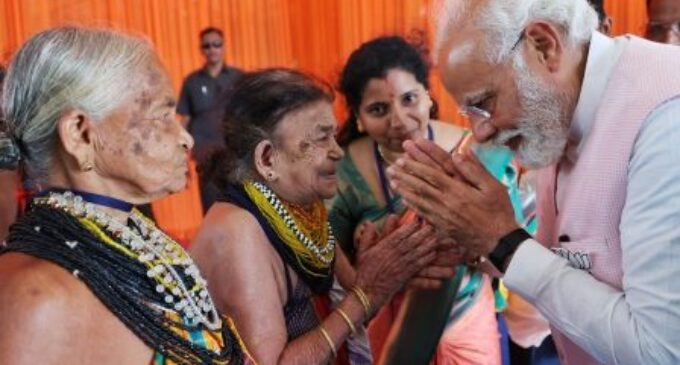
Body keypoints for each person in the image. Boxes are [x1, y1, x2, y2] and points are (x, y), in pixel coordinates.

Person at [388, 0, 680, 364]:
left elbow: (660, 352)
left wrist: (502, 240)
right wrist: (476, 245)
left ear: (543, 46)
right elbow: (569, 260)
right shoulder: (559, 104)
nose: (480, 131)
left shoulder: (667, 118)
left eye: (484, 102)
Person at [0, 26, 249, 364]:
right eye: (162, 115)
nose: (185, 139)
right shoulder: (36, 299)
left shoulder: (139, 242)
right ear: (80, 134)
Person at [190, 68, 446, 365]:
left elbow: (352, 305)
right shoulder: (237, 231)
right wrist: (369, 291)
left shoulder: (300, 208)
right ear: (267, 158)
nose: (338, 152)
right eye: (322, 139)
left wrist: (387, 267)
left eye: (334, 136)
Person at [332, 35, 532, 365]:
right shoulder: (345, 173)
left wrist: (478, 247)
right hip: (389, 328)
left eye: (409, 99)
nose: (399, 120)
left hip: (467, 324)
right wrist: (376, 266)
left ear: (428, 95)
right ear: (358, 117)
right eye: (378, 109)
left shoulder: (474, 153)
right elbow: (325, 269)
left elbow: (516, 250)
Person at [177, 27, 243, 212]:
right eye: (207, 45)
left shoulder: (239, 77)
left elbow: (251, 114)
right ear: (201, 49)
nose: (212, 49)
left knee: (241, 207)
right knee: (212, 208)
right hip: (206, 157)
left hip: (235, 154)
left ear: (223, 46)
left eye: (216, 44)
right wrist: (181, 157)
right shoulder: (191, 82)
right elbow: (185, 120)